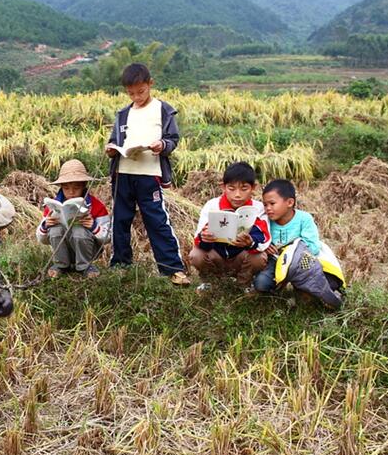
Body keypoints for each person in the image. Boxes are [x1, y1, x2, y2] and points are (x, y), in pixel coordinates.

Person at [105, 63, 189, 285]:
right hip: (123, 173)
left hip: (149, 174)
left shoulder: (163, 110)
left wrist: (162, 145)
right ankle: (121, 265)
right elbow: (114, 140)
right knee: (121, 220)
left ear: (150, 84)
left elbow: (173, 139)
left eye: (141, 92)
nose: (137, 97)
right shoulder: (123, 114)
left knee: (156, 220)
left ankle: (172, 268)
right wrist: (111, 149)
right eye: (131, 93)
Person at [254, 179, 344, 307]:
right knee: (261, 284)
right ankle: (278, 288)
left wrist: (291, 254)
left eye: (272, 203)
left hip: (304, 262)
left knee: (320, 285)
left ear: (290, 202)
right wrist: (266, 246)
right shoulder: (265, 220)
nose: (268, 208)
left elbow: (312, 247)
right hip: (276, 261)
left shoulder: (304, 219)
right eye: (265, 204)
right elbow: (259, 238)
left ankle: (318, 293)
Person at [189, 162, 270, 292]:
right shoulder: (212, 205)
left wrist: (250, 242)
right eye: (231, 189)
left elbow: (264, 238)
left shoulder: (258, 208)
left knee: (259, 258)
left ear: (253, 187)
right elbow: (198, 239)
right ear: (223, 187)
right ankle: (211, 283)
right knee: (196, 255)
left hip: (241, 258)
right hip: (217, 256)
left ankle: (243, 285)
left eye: (244, 189)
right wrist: (205, 238)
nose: (237, 195)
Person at [36, 159, 111, 279]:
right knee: (55, 230)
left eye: (76, 188)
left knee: (79, 230)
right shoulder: (53, 206)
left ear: (84, 185)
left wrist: (94, 227)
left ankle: (84, 266)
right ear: (61, 187)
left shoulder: (97, 206)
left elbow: (107, 237)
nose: (71, 192)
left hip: (88, 249)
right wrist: (45, 226)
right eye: (66, 188)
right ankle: (61, 265)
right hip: (63, 248)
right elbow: (41, 239)